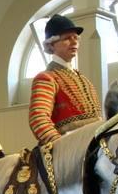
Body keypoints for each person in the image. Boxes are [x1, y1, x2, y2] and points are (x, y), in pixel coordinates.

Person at [28, 14, 103, 145]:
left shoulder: (85, 80)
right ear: (51, 45)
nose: (74, 42)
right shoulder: (46, 78)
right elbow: (38, 118)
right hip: (70, 151)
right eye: (67, 38)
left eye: (76, 38)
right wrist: (61, 146)